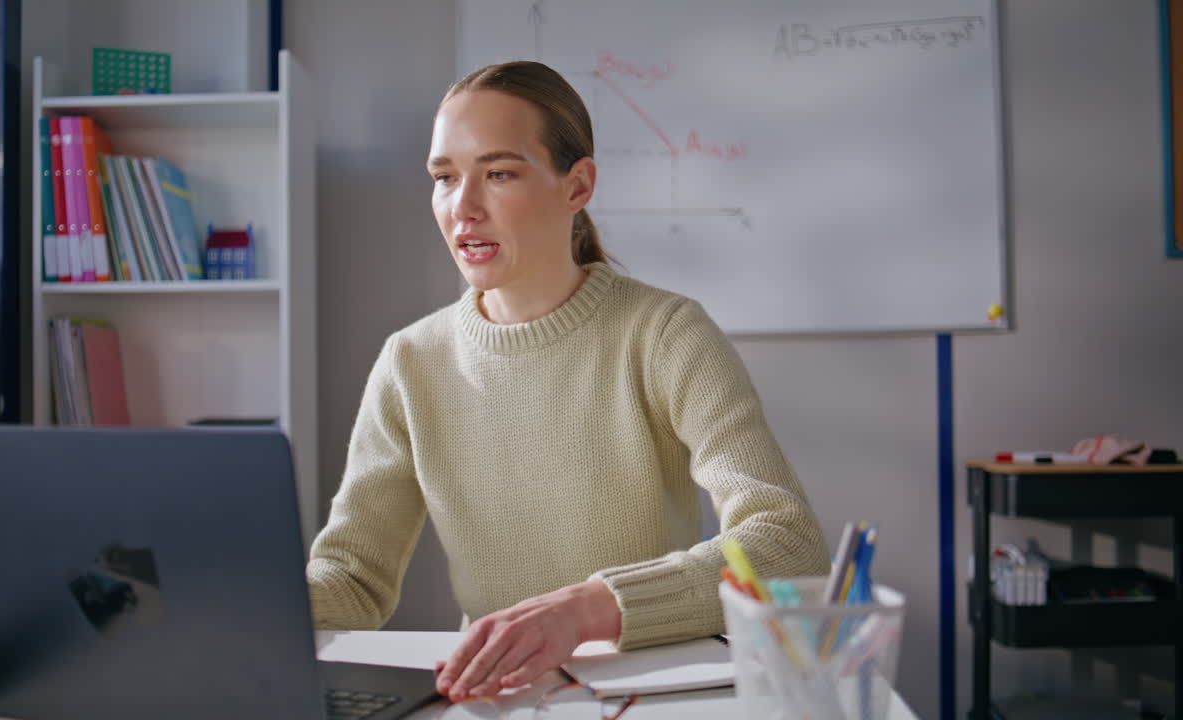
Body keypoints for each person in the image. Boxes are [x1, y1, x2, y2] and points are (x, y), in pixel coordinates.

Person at [305, 60, 829, 702]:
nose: (462, 207)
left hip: (649, 693)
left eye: (498, 173)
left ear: (576, 185)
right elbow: (352, 579)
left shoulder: (665, 333)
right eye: (444, 178)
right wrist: (232, 605)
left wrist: (586, 608)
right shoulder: (410, 360)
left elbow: (786, 545)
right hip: (489, 697)